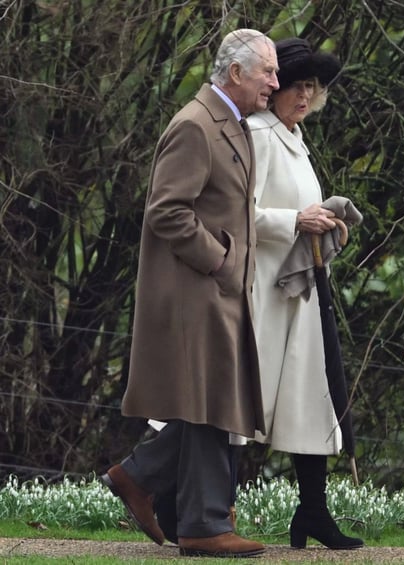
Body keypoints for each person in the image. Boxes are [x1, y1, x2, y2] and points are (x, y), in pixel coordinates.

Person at [99, 28, 279, 558]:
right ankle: (200, 523)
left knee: (214, 402)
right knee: (209, 404)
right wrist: (220, 260)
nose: (275, 80)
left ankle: (141, 478)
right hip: (196, 291)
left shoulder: (230, 122)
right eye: (267, 71)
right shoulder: (196, 125)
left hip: (218, 292)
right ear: (236, 73)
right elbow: (166, 210)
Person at [246, 37, 364, 550]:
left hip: (302, 291)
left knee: (307, 402)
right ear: (274, 89)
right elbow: (242, 213)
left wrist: (327, 222)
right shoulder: (256, 135)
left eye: (312, 88)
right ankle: (170, 495)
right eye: (296, 85)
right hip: (263, 293)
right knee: (242, 407)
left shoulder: (296, 140)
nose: (303, 95)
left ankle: (313, 512)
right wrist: (296, 219)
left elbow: (303, 212)